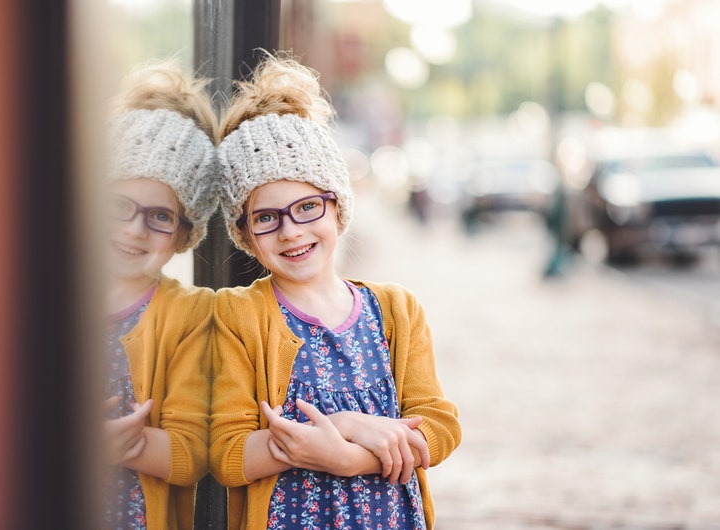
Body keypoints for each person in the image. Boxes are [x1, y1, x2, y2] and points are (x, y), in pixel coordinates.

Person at [210, 54, 461, 529]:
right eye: (266, 218)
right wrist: (345, 426)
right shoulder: (239, 316)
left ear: (337, 206)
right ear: (245, 232)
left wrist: (349, 459)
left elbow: (440, 426)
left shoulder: (395, 311)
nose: (290, 232)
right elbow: (228, 454)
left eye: (307, 207)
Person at [102, 59, 218, 530]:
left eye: (160, 216)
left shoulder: (188, 315)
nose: (135, 229)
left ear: (182, 234)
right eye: (118, 205)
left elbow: (192, 451)